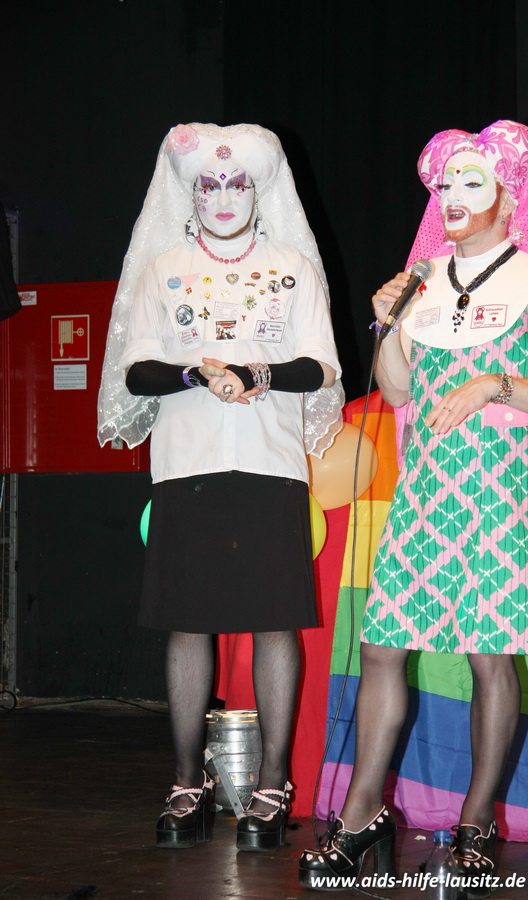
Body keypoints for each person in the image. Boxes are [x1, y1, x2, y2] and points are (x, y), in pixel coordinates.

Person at [299, 120, 528, 896]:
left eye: (472, 182)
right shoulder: (422, 279)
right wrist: (393, 325)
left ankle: (474, 823)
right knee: (381, 647)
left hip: (496, 493)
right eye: (445, 184)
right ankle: (362, 816)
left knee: (489, 657)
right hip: (424, 492)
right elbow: (397, 390)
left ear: (510, 195)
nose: (453, 196)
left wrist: (495, 385)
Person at [98, 122, 343, 851]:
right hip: (187, 464)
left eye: (239, 183)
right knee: (188, 622)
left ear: (260, 190)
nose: (226, 196)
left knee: (275, 622)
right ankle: (186, 782)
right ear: (192, 193)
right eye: (211, 184)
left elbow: (320, 365)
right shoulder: (162, 269)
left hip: (271, 464)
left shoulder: (293, 267)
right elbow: (135, 371)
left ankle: (272, 784)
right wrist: (195, 373)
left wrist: (256, 373)